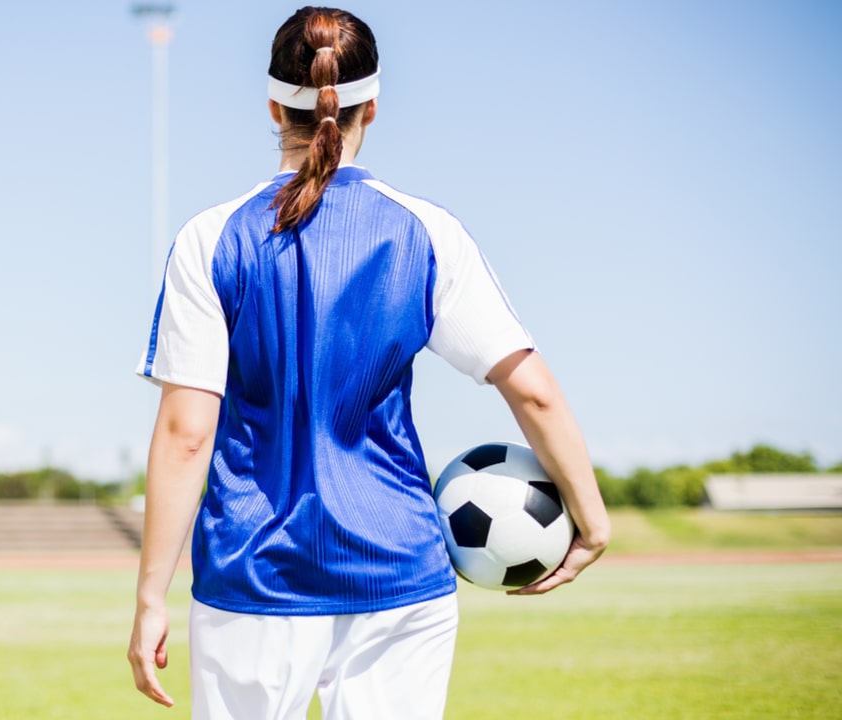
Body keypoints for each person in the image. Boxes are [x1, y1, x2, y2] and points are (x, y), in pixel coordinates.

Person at [127, 7, 611, 719]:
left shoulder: (211, 238)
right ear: (371, 108)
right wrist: (591, 519)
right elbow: (533, 393)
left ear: (272, 105)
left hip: (251, 578)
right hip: (398, 575)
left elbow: (186, 435)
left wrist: (149, 597)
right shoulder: (426, 232)